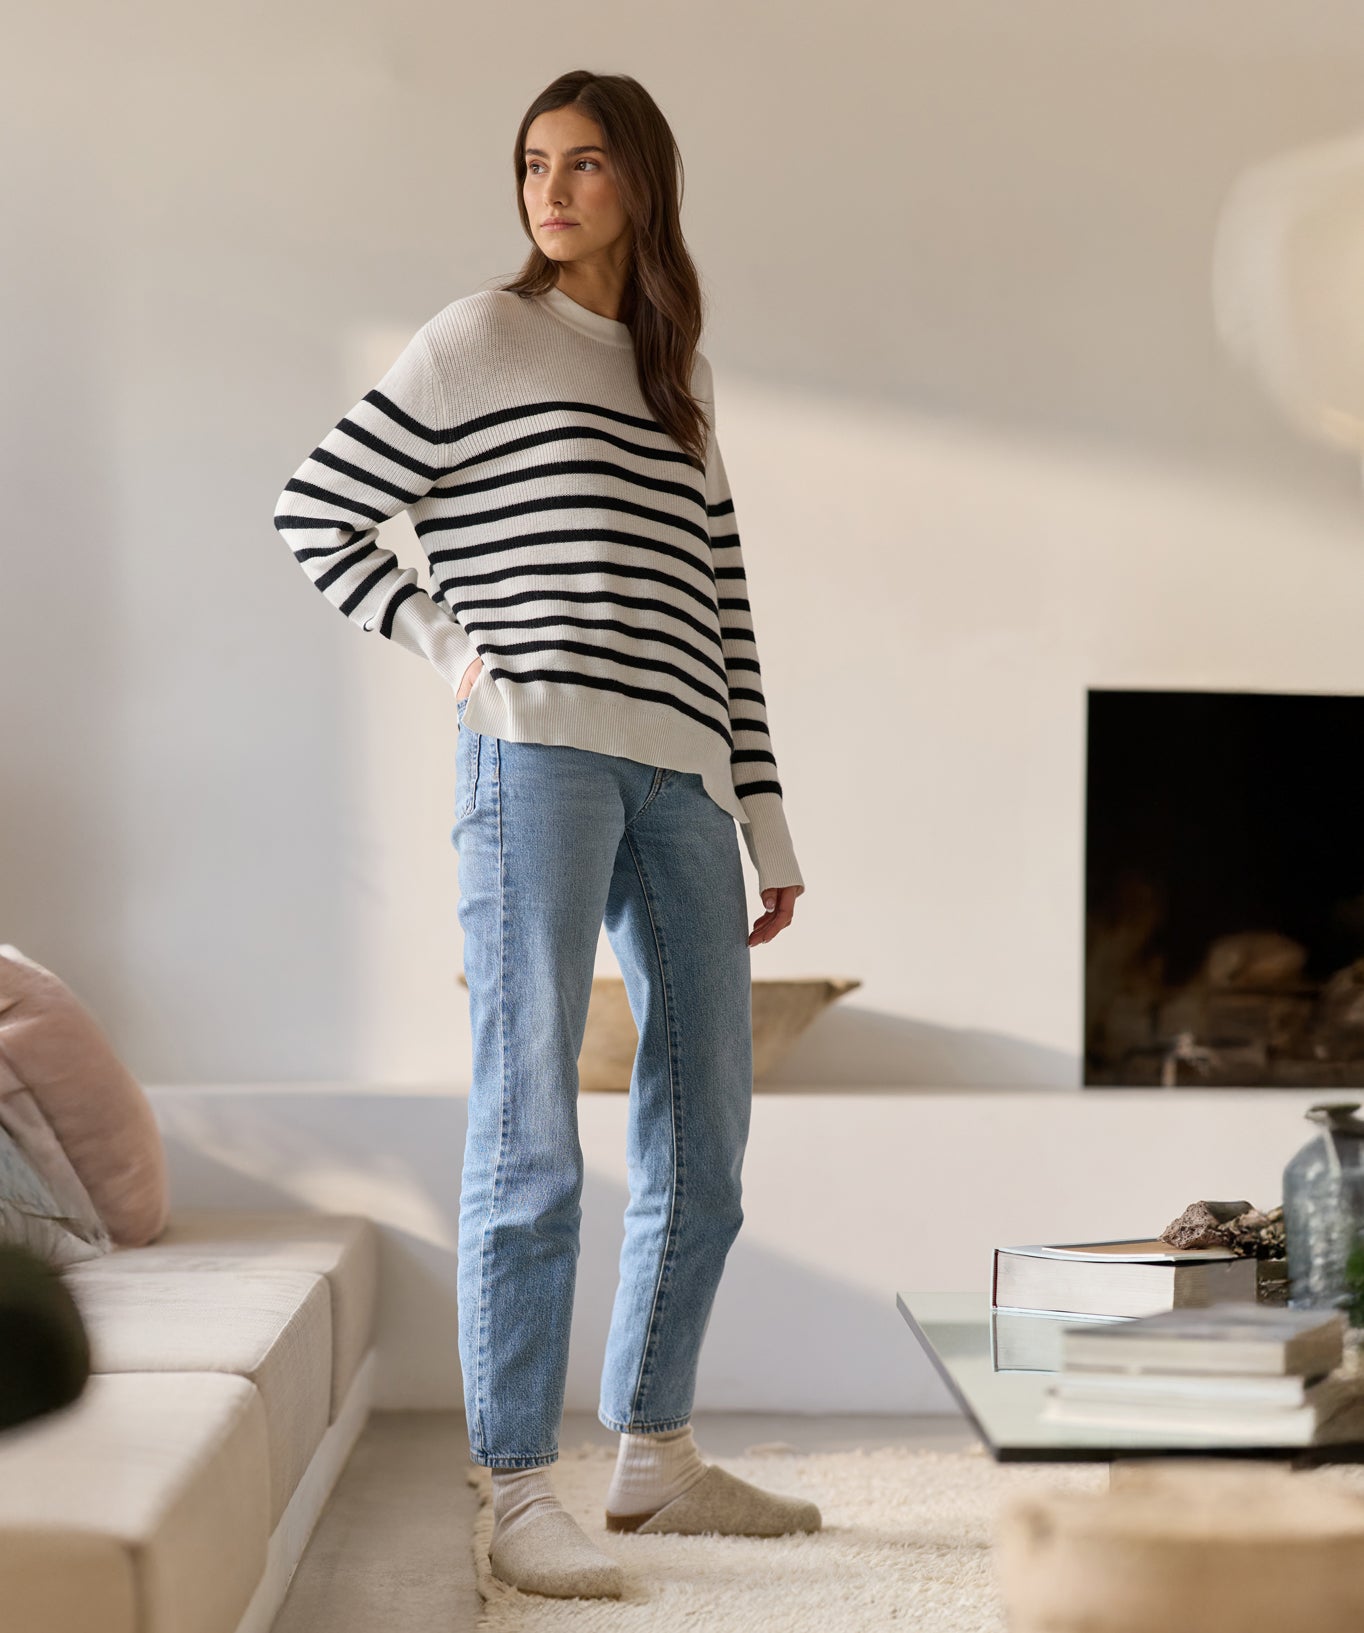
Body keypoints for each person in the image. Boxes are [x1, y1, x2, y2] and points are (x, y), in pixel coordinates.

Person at [273, 68, 818, 1599]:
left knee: (704, 1125)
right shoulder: (477, 341)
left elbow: (724, 614)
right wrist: (448, 640)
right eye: (532, 165)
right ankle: (516, 1483)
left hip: (682, 781)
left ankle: (654, 1451)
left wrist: (763, 819)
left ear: (642, 185)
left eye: (584, 166)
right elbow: (315, 512)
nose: (553, 192)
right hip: (534, 763)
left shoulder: (672, 384)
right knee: (530, 1126)